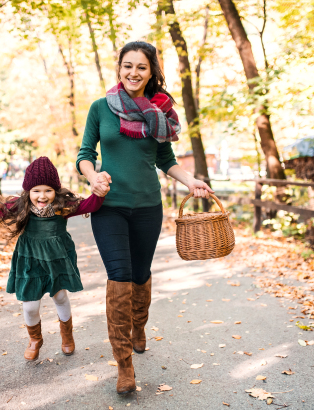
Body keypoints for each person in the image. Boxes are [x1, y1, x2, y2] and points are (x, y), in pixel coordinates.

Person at [76, 41, 214, 394]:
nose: (133, 72)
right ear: (118, 68)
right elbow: (85, 154)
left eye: (141, 67)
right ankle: (124, 365)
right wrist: (93, 177)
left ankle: (139, 325)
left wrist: (192, 180)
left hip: (148, 208)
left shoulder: (159, 112)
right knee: (119, 276)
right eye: (127, 65)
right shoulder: (100, 108)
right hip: (109, 207)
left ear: (151, 72)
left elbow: (165, 159)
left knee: (140, 274)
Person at [0, 157, 108, 361]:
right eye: (36, 191)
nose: (42, 196)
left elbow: (90, 205)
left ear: (56, 191)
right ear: (28, 191)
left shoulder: (62, 205)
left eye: (48, 190)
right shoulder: (20, 205)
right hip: (30, 259)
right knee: (30, 305)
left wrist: (100, 192)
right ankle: (35, 339)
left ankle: (67, 336)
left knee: (60, 297)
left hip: (56, 258)